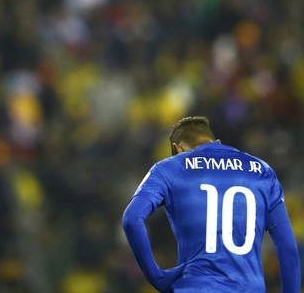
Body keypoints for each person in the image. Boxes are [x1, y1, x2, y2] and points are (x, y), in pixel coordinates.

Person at [122, 116, 301, 292]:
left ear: (177, 149)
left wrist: (156, 276)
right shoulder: (263, 171)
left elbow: (132, 218)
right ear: (217, 142)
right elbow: (288, 249)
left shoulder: (168, 168)